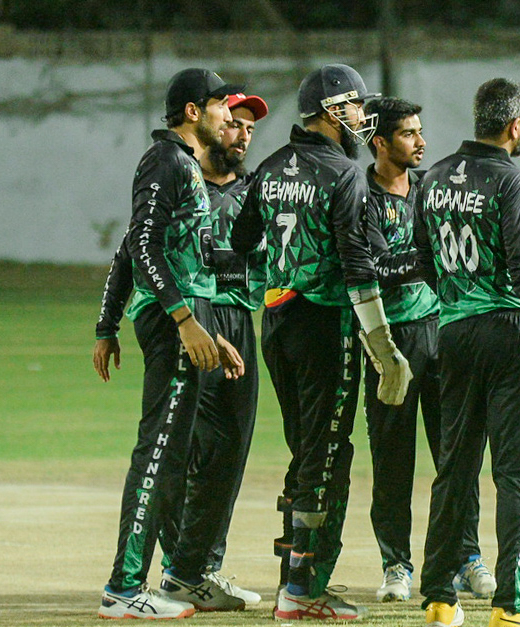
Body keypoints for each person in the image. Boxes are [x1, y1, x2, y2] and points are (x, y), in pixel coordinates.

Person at [230, 63, 412, 621]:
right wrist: (383, 347)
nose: (363, 116)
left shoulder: (269, 167)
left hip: (277, 322)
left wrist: (285, 275)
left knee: (306, 451)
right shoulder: (344, 174)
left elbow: (241, 241)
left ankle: (290, 577)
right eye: (356, 106)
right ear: (333, 111)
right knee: (328, 456)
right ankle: (303, 589)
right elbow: (358, 265)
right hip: (326, 324)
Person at [94, 91, 270, 612]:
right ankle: (131, 583)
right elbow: (136, 247)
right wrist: (114, 322)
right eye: (229, 118)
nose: (239, 131)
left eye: (247, 126)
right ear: (201, 115)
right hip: (184, 319)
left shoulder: (241, 187)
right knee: (166, 453)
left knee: (220, 452)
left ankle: (191, 572)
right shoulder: (172, 166)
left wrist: (205, 326)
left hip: (216, 322)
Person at [415, 78, 520, 627]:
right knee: (514, 473)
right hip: (508, 336)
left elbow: (425, 260)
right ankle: (511, 604)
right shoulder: (510, 183)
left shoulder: (434, 177)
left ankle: (440, 599)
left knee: (454, 468)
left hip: (453, 333)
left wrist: (461, 299)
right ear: (514, 126)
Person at [361, 96, 494, 603]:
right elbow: (376, 268)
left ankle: (466, 557)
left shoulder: (430, 189)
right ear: (380, 143)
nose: (421, 142)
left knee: (457, 456)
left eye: (420, 131)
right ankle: (396, 564)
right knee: (392, 459)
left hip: (443, 333)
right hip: (389, 341)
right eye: (408, 134)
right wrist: (431, 256)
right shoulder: (362, 198)